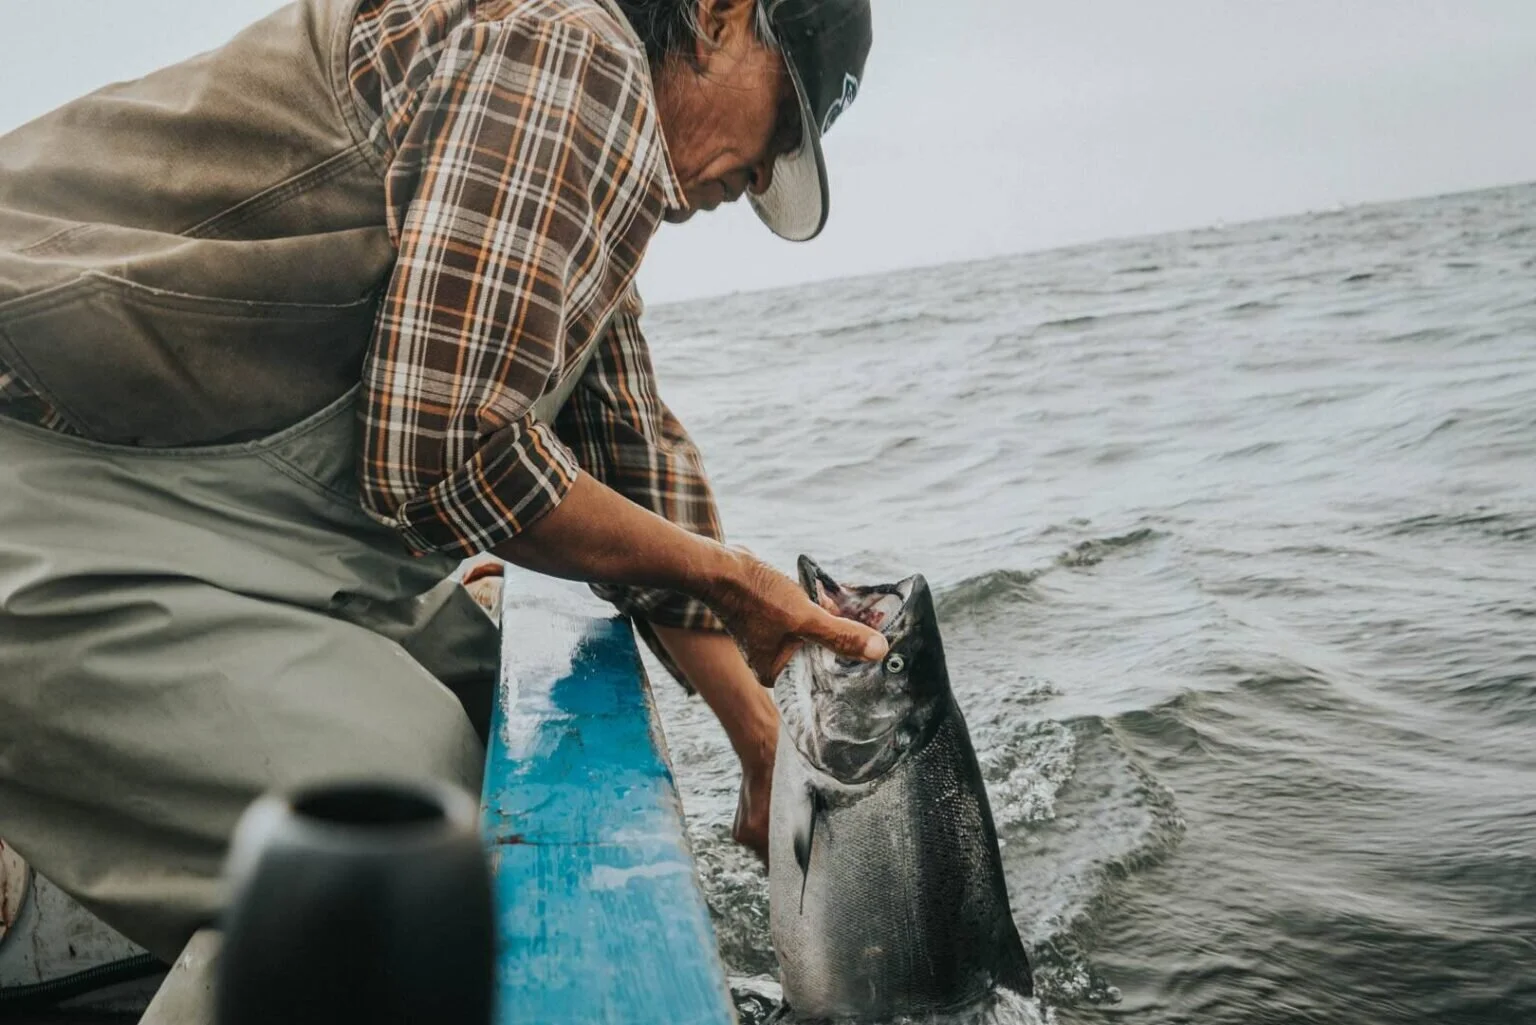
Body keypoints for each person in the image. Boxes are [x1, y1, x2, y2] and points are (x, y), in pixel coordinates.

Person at [0, 0, 880, 968]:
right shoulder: (570, 47)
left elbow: (630, 448)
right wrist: (729, 577)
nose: (756, 179)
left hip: (178, 517)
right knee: (409, 845)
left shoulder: (566, 134)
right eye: (780, 126)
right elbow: (446, 453)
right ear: (718, 14)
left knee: (479, 683)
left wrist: (757, 732)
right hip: (43, 499)